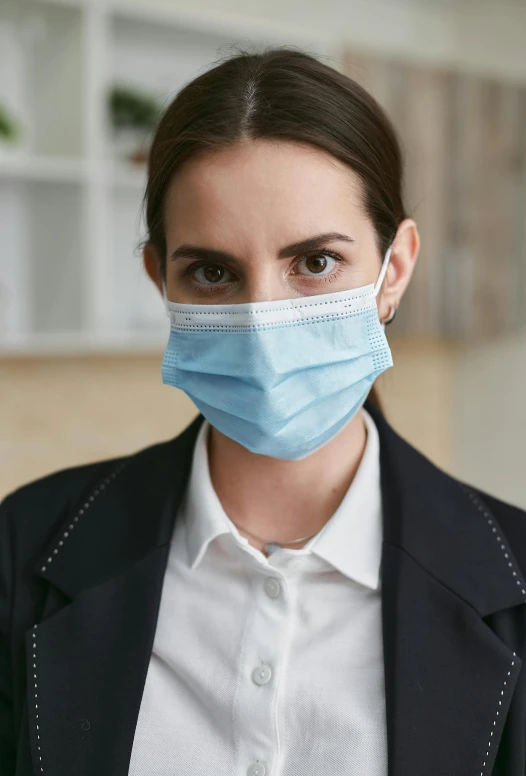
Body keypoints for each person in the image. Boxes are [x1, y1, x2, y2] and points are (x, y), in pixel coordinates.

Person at [1, 47, 526, 776]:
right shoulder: (21, 550)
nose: (262, 322)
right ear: (161, 279)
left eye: (314, 262)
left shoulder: (517, 580)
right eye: (212, 272)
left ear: (392, 270)